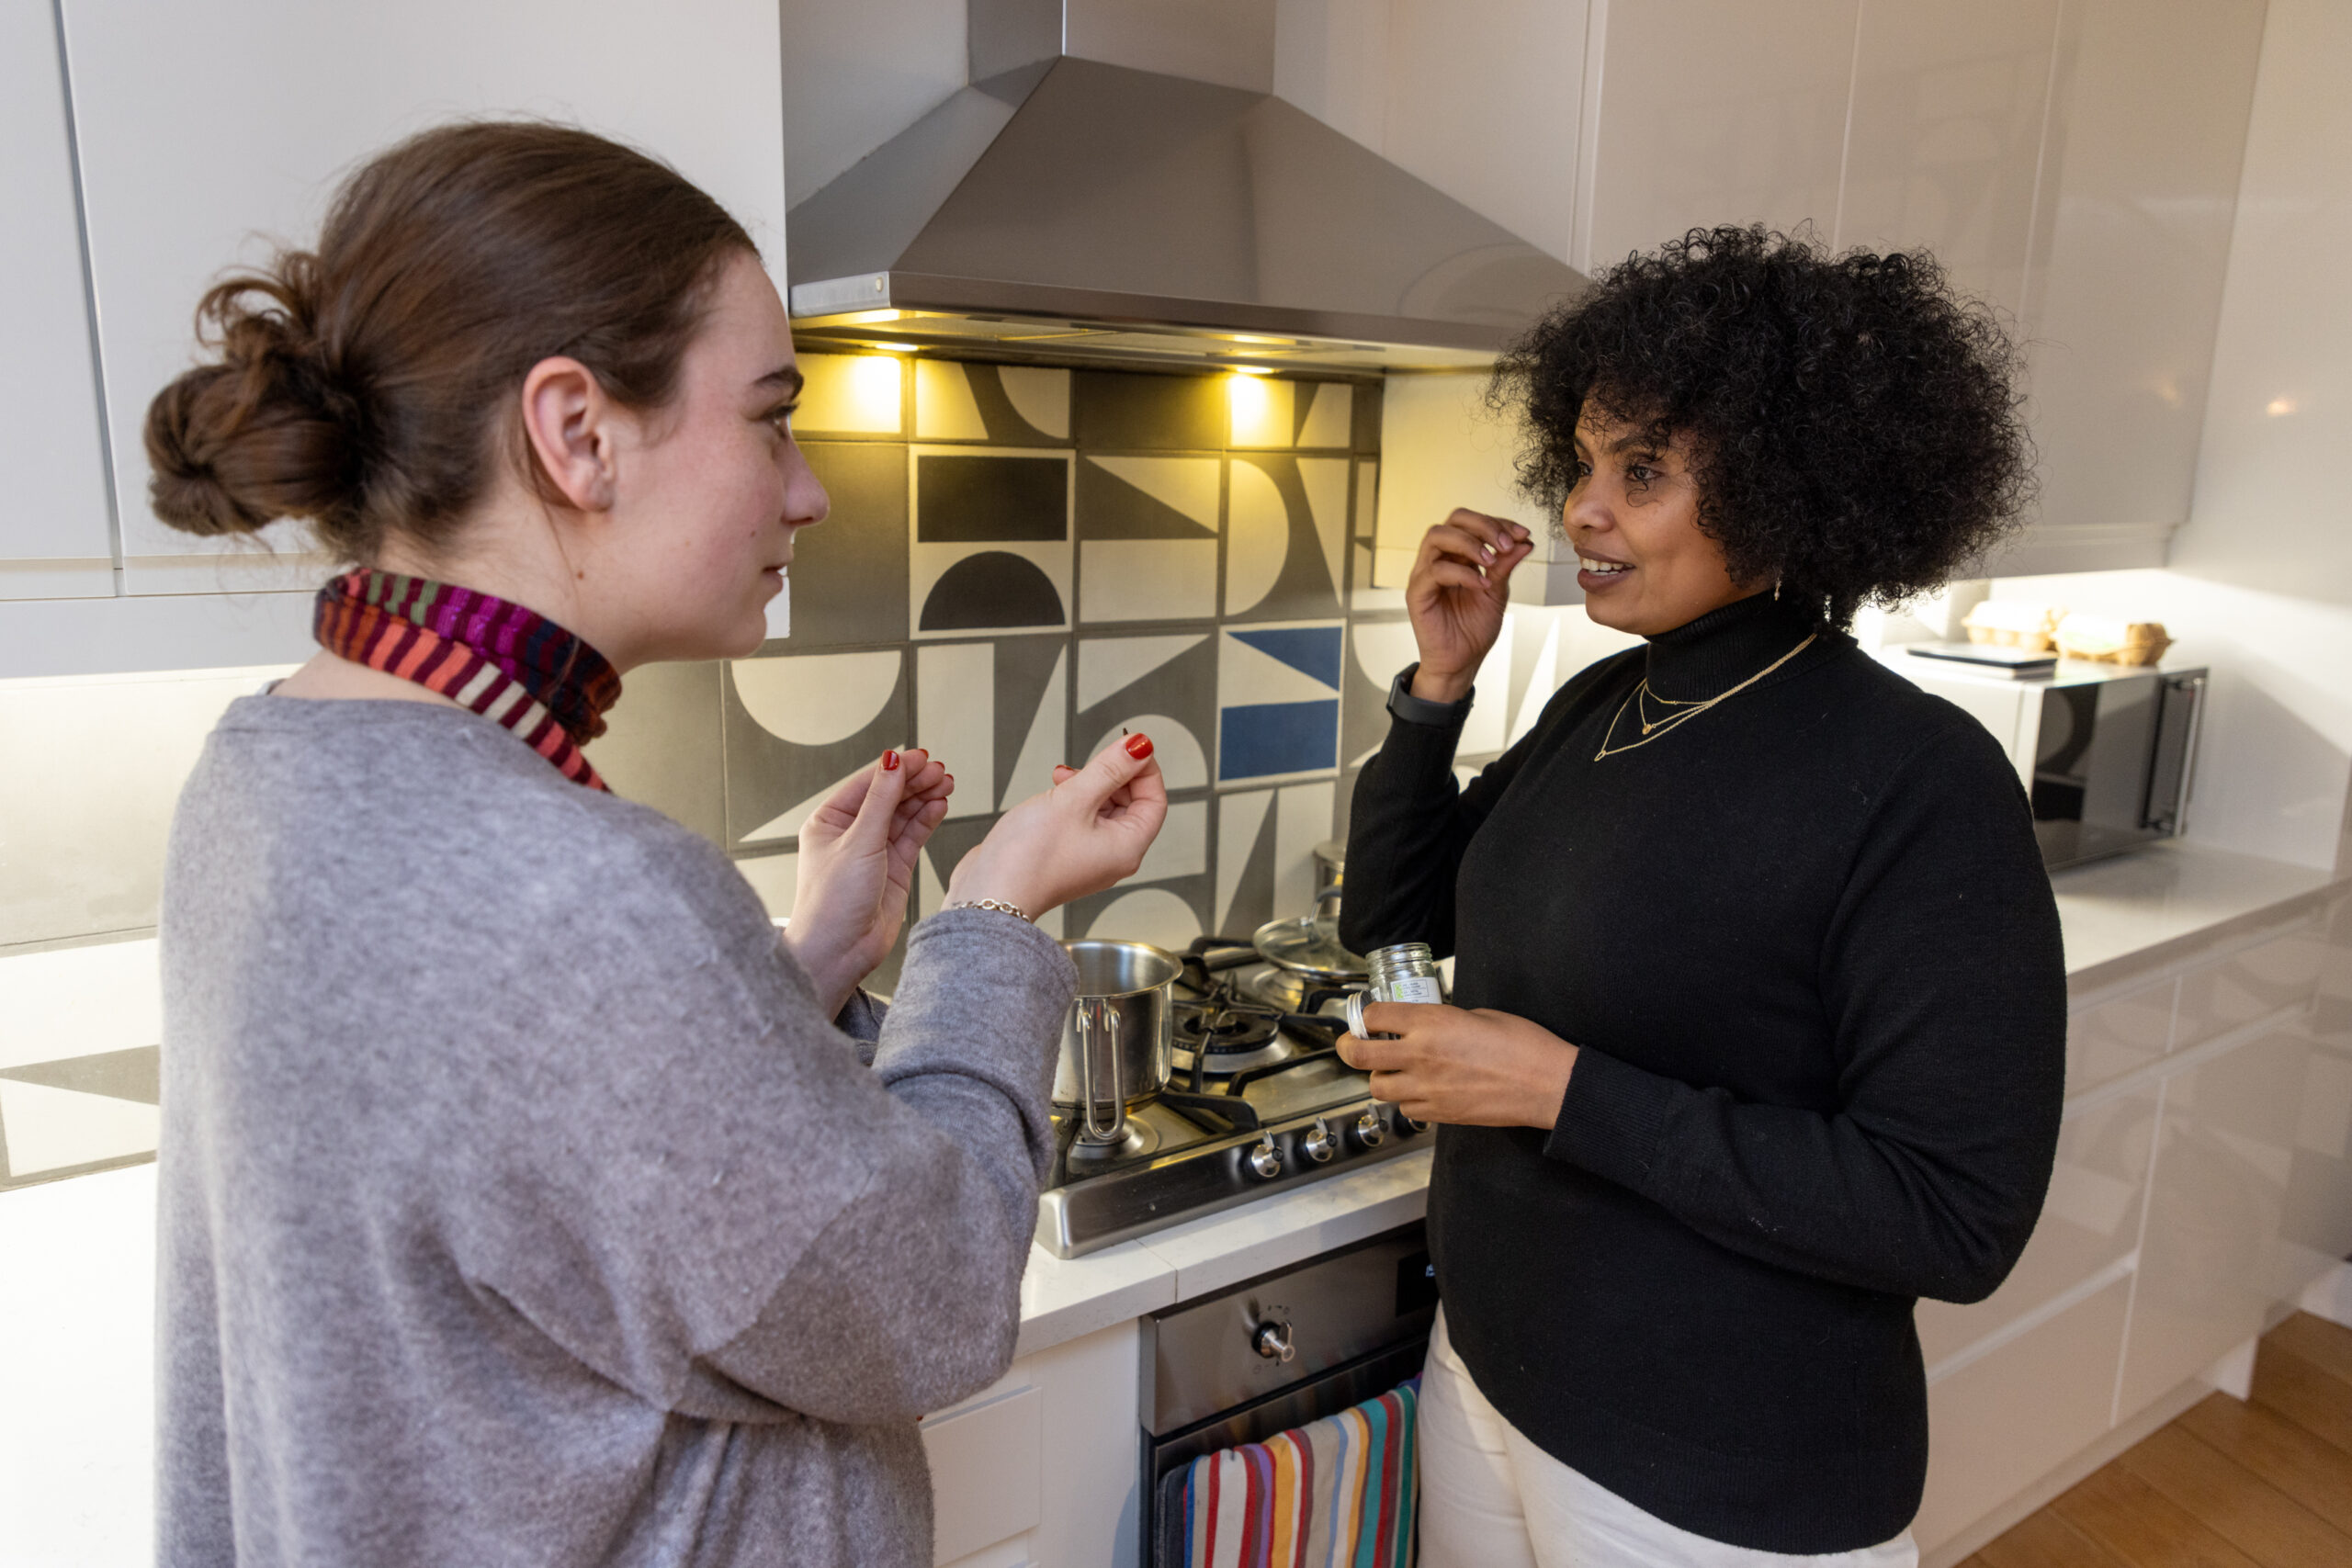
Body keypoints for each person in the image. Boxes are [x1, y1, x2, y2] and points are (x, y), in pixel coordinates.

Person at [144, 121, 1165, 1568]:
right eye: (768, 416)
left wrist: (797, 965)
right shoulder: (582, 892)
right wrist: (992, 916)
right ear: (577, 433)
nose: (805, 489)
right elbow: (929, 1302)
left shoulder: (259, 776)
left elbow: (519, 1146)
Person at [1338, 226, 2066, 1566]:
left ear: (1794, 492)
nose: (1581, 510)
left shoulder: (1918, 779)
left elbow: (1952, 1215)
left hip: (1721, 1466)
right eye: (1584, 462)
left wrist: (1563, 1090)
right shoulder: (1604, 699)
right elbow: (1391, 920)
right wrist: (1437, 692)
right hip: (1493, 1374)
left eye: (1645, 472)